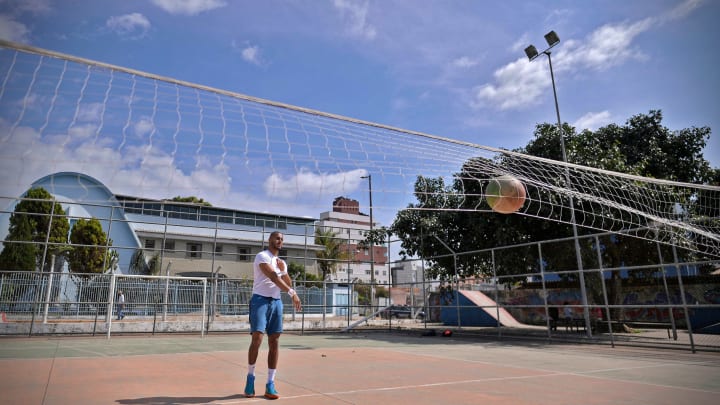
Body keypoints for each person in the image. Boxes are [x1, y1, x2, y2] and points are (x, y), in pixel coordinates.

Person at [244, 231, 302, 400]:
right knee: (257, 339)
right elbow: (272, 276)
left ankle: (270, 384)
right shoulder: (261, 256)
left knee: (274, 341)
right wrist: (292, 293)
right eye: (277, 238)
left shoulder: (281, 262)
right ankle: (250, 378)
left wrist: (284, 271)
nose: (280, 241)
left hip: (276, 302)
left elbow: (286, 280)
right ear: (270, 240)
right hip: (260, 301)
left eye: (282, 239)